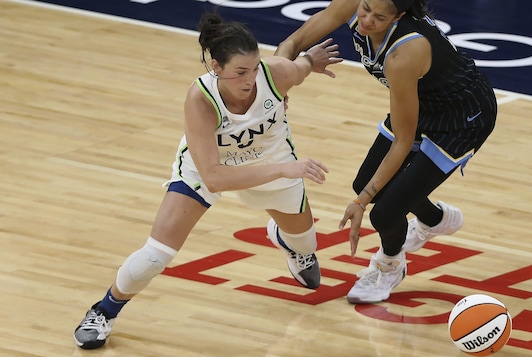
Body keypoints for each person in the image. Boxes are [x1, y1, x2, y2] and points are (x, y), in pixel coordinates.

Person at [73, 12, 341, 349]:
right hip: (210, 168)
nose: (250, 79)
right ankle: (104, 310)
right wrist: (286, 170)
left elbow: (296, 59)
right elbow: (214, 178)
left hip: (270, 157)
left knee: (306, 244)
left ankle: (289, 243)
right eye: (240, 72)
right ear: (216, 67)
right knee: (156, 255)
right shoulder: (200, 99)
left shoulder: (277, 75)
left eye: (255, 67)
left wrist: (308, 60)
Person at [275, 0, 497, 304]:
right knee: (368, 184)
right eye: (365, 8)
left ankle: (390, 265)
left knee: (384, 212)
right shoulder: (359, 4)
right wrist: (278, 85)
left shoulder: (403, 55)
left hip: (462, 116)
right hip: (421, 102)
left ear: (399, 17)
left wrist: (360, 202)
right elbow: (294, 41)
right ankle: (434, 219)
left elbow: (402, 141)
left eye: (379, 17)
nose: (366, 20)